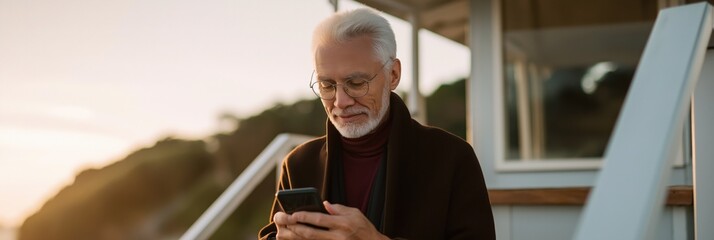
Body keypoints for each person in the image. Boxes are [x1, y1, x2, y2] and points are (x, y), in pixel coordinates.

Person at [259, 8, 495, 240]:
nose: (340, 102)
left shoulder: (452, 157)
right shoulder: (299, 163)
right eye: (327, 85)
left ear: (393, 74)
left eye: (356, 82)